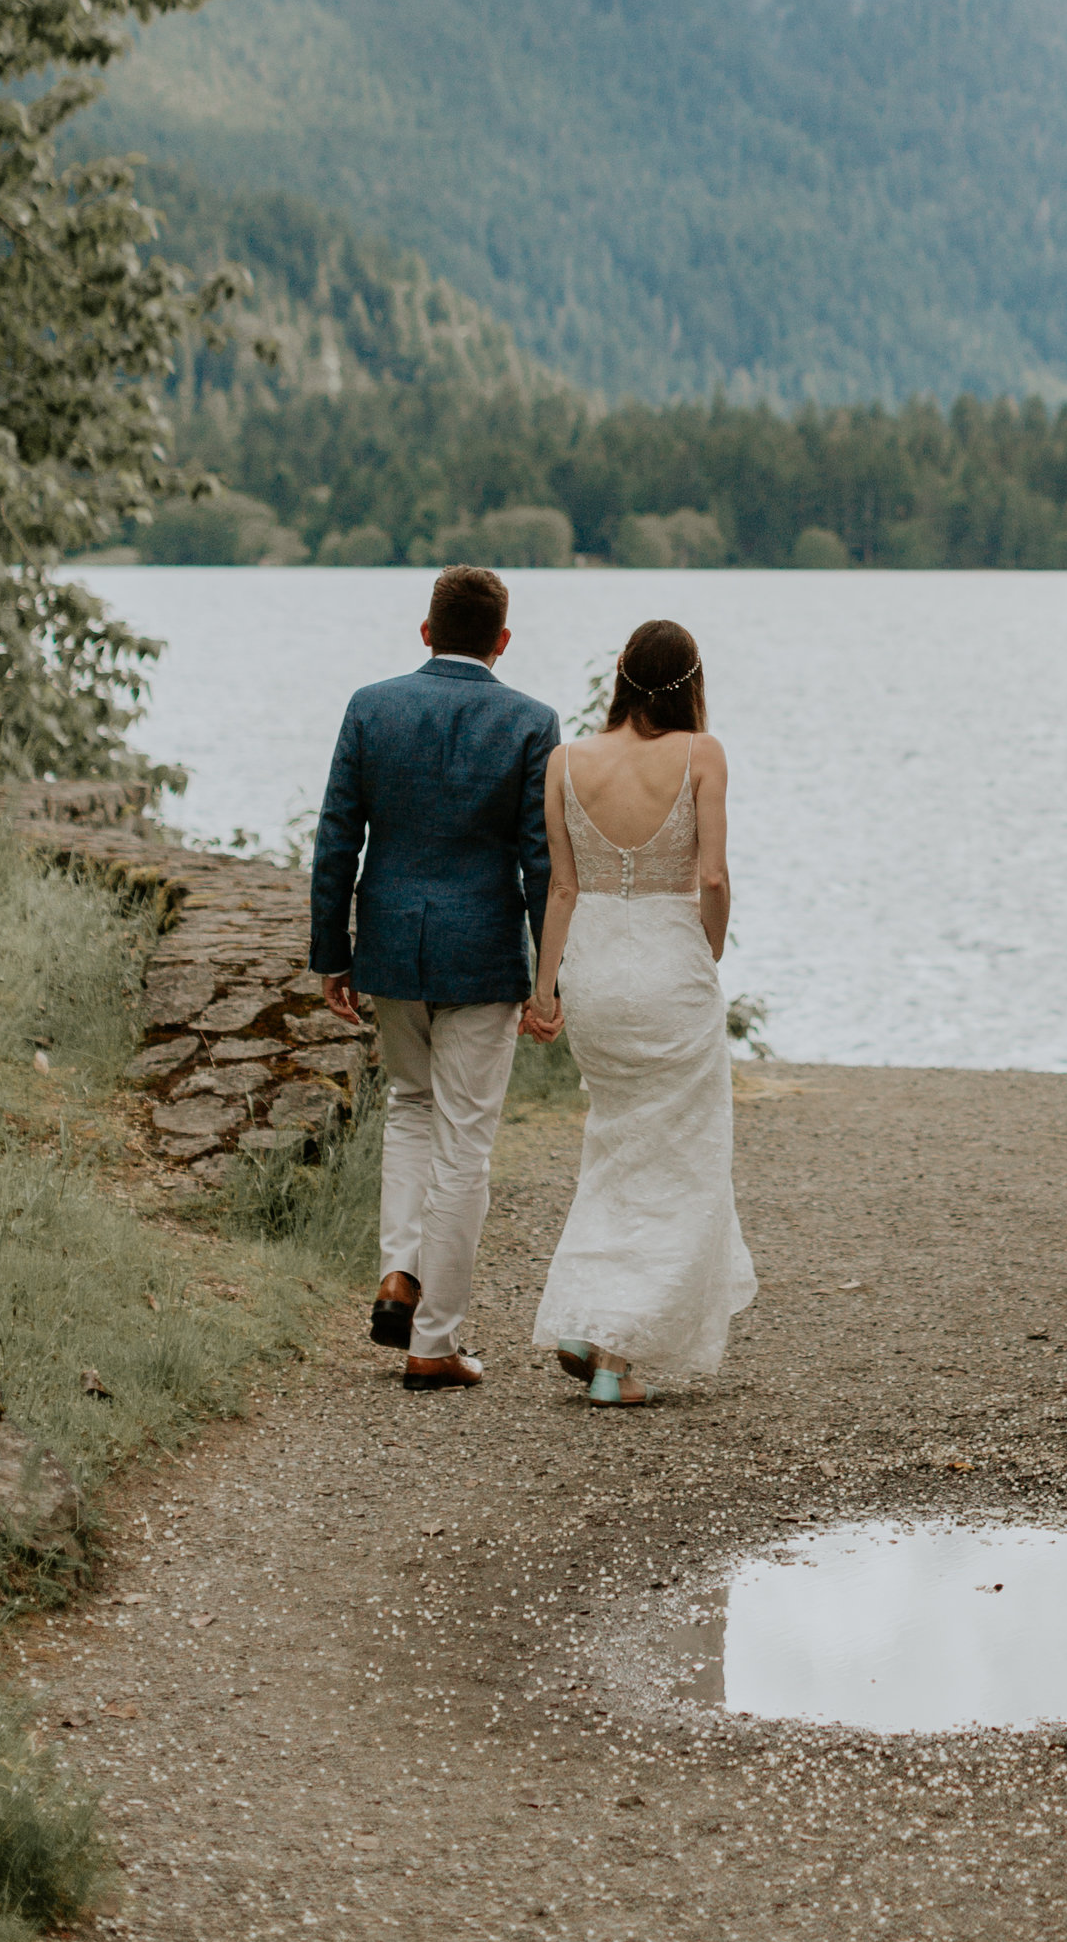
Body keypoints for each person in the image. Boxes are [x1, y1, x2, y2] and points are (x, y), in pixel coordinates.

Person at [310, 564, 558, 1393]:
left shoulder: (372, 706)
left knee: (410, 1111)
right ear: (503, 639)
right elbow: (540, 863)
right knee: (466, 1142)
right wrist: (548, 974)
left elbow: (336, 840)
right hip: (481, 955)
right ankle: (434, 1341)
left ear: (426, 631)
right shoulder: (531, 722)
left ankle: (398, 1275)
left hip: (390, 948)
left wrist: (331, 954)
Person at [522, 616, 756, 1407]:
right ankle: (617, 1354)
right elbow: (714, 879)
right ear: (693, 681)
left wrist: (543, 989)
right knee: (682, 1158)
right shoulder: (702, 754)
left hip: (594, 970)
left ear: (621, 671)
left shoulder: (564, 761)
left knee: (615, 1148)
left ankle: (589, 1323)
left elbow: (560, 887)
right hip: (670, 965)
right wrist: (708, 950)